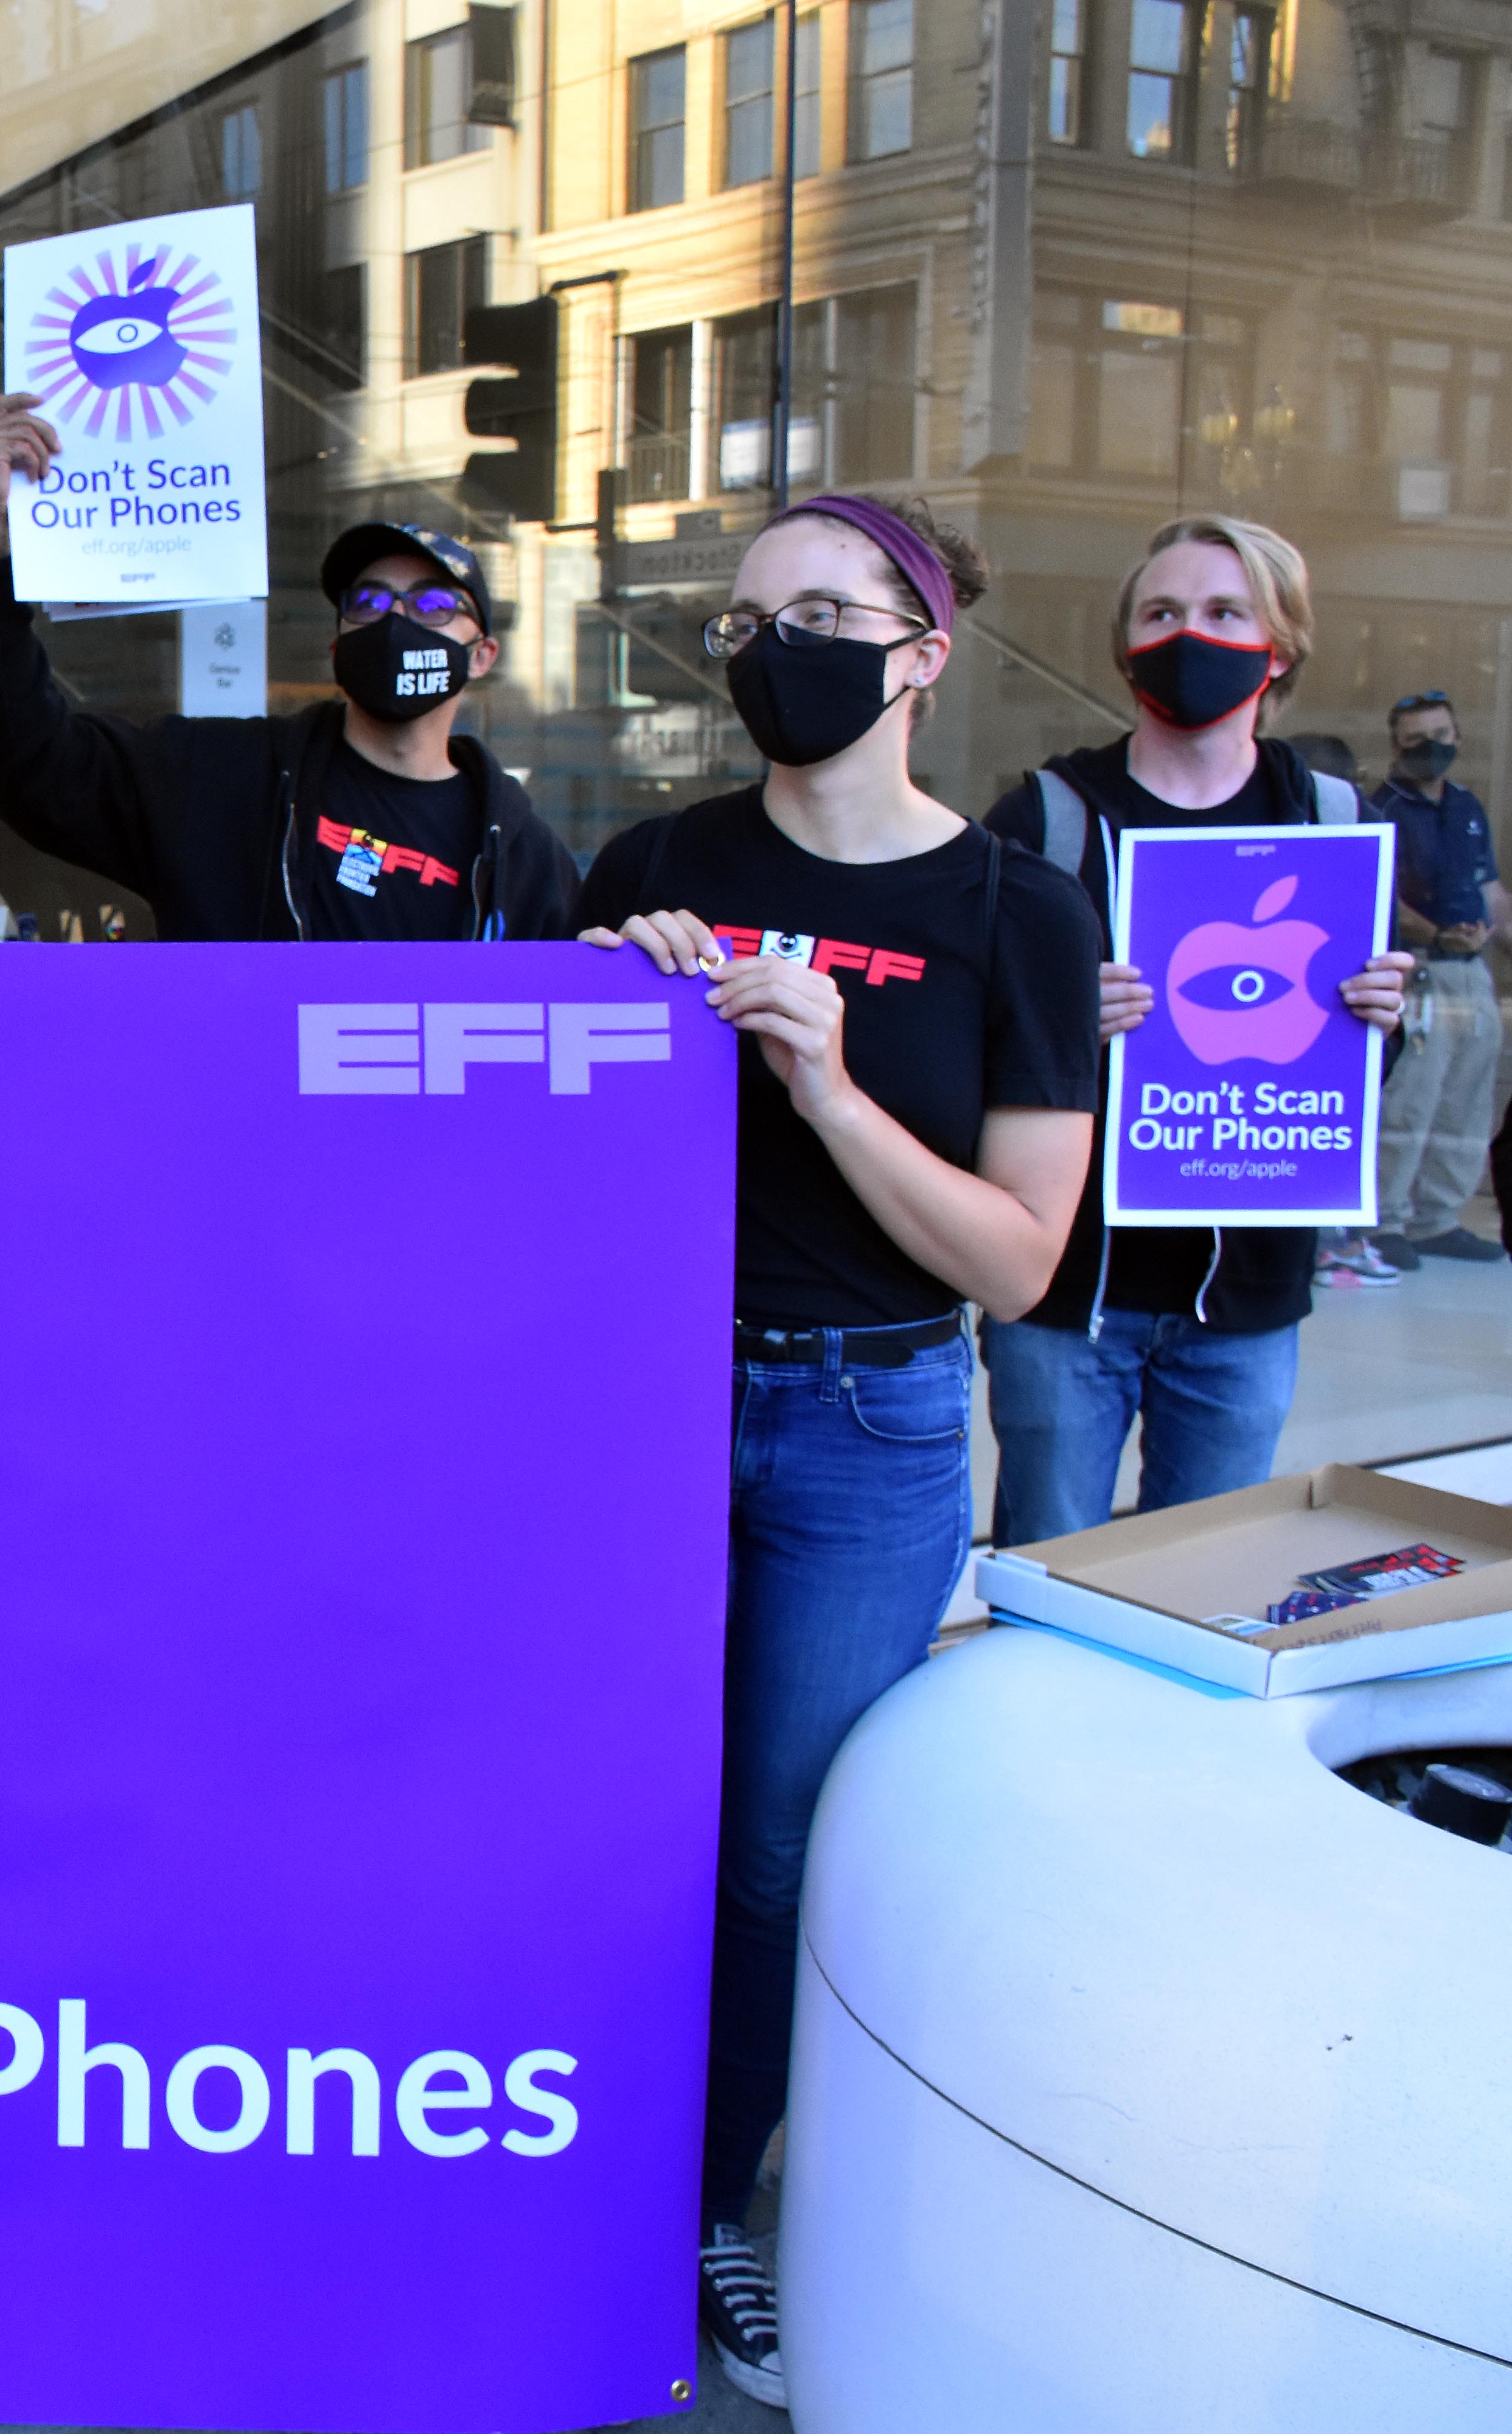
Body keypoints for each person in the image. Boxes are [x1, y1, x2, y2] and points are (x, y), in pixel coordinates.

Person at [573, 493, 1102, 2410]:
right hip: (631, 1403)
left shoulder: (1014, 913)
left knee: (783, 1844)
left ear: (920, 647)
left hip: (869, 1418)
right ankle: (567, 2170)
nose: (770, 645)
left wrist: (821, 1077)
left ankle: (713, 2202)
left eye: (819, 609)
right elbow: (518, 1156)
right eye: (738, 618)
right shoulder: (650, 862)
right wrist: (597, 1013)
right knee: (606, 1819)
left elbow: (1021, 1264)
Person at [980, 520, 1416, 1536]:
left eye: (1225, 612)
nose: (1190, 634)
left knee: (1204, 1591)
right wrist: (1061, 1029)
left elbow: (1353, 1074)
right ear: (1127, 644)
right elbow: (964, 1038)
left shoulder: (1337, 826)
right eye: (1163, 613)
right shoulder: (1045, 821)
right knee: (1052, 1589)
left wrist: (1379, 1022)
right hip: (1069, 1297)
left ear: (1281, 644)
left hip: (1248, 1303)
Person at [0, 394, 575, 941]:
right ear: (338, 646)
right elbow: (32, 765)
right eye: (370, 601)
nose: (396, 622)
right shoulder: (222, 781)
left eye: (435, 605)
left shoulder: (529, 861)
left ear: (483, 655)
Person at [1370, 688, 1508, 1265]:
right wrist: (1435, 936)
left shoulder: (1467, 807)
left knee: (1468, 1103)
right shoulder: (1382, 809)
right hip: (1419, 972)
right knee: (1409, 1102)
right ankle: (1384, 1221)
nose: (1433, 747)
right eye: (1418, 739)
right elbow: (1382, 898)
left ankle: (1438, 1219)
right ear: (1398, 744)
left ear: (1458, 737)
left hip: (1472, 975)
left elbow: (1490, 893)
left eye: (1442, 736)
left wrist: (1485, 937)